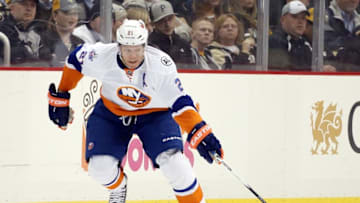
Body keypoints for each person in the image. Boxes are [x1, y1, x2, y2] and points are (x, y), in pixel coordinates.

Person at [47, 19, 223, 203]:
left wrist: (201, 133)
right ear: (118, 46)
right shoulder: (101, 56)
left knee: (177, 166)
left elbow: (180, 102)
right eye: (127, 49)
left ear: (144, 46)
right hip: (112, 113)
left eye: (138, 49)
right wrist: (62, 94)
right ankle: (119, 187)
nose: (133, 55)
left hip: (156, 115)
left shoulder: (161, 65)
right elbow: (75, 60)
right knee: (99, 170)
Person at [268, 1, 313, 71]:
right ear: (282, 20)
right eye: (295, 17)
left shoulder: (305, 43)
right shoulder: (274, 41)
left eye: (303, 18)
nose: (300, 22)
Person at [0, 0, 48, 65]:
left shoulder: (38, 33)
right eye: (24, 4)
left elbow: (47, 56)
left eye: (33, 5)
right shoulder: (3, 30)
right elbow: (18, 54)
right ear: (11, 7)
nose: (29, 9)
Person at [148, 0, 193, 67]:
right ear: (154, 23)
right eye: (162, 21)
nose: (167, 24)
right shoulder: (149, 46)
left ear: (175, 18)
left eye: (170, 19)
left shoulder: (183, 43)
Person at [39, 0, 83, 67]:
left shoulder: (80, 42)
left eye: (75, 13)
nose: (73, 17)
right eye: (67, 13)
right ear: (55, 15)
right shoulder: (43, 39)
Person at [324, 0, 360, 71]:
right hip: (331, 76)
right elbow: (328, 47)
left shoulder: (358, 21)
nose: (354, 0)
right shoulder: (324, 17)